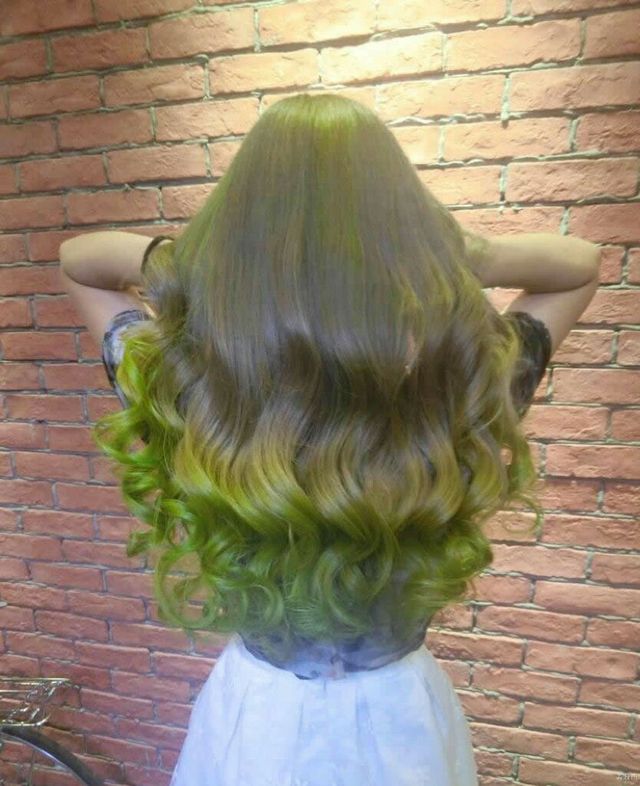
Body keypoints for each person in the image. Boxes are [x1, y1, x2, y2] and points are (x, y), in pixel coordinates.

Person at [60, 93, 601, 786]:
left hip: (258, 719)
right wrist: (457, 254)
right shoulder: (448, 400)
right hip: (401, 719)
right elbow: (577, 264)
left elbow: (81, 261)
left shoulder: (196, 398)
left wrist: (190, 259)